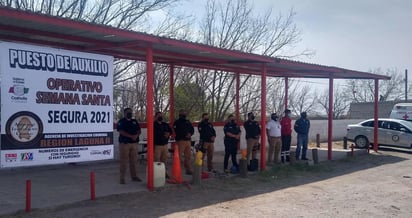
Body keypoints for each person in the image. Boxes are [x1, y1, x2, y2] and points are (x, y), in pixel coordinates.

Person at [117, 108, 142, 184]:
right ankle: (122, 178)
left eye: (131, 112)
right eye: (128, 112)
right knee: (124, 161)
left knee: (133, 161)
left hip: (134, 144)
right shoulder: (121, 121)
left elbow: (139, 130)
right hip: (125, 144)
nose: (130, 114)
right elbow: (121, 131)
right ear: (124, 113)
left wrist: (136, 135)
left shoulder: (134, 121)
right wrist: (131, 136)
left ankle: (134, 176)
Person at [173, 109, 195, 175]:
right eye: (183, 113)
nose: (184, 114)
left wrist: (190, 134)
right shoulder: (176, 122)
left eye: (185, 113)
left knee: (188, 156)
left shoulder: (188, 122)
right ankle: (177, 171)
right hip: (180, 141)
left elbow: (192, 129)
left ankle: (188, 169)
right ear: (180, 114)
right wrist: (184, 135)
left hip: (188, 141)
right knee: (178, 156)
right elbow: (176, 131)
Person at [154, 111, 172, 178]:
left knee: (164, 160)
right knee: (157, 161)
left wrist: (168, 134)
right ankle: (158, 174)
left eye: (161, 115)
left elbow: (171, 131)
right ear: (155, 117)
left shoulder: (165, 124)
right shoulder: (153, 125)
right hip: (157, 145)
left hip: (165, 145)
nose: (160, 117)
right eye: (158, 115)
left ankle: (165, 173)